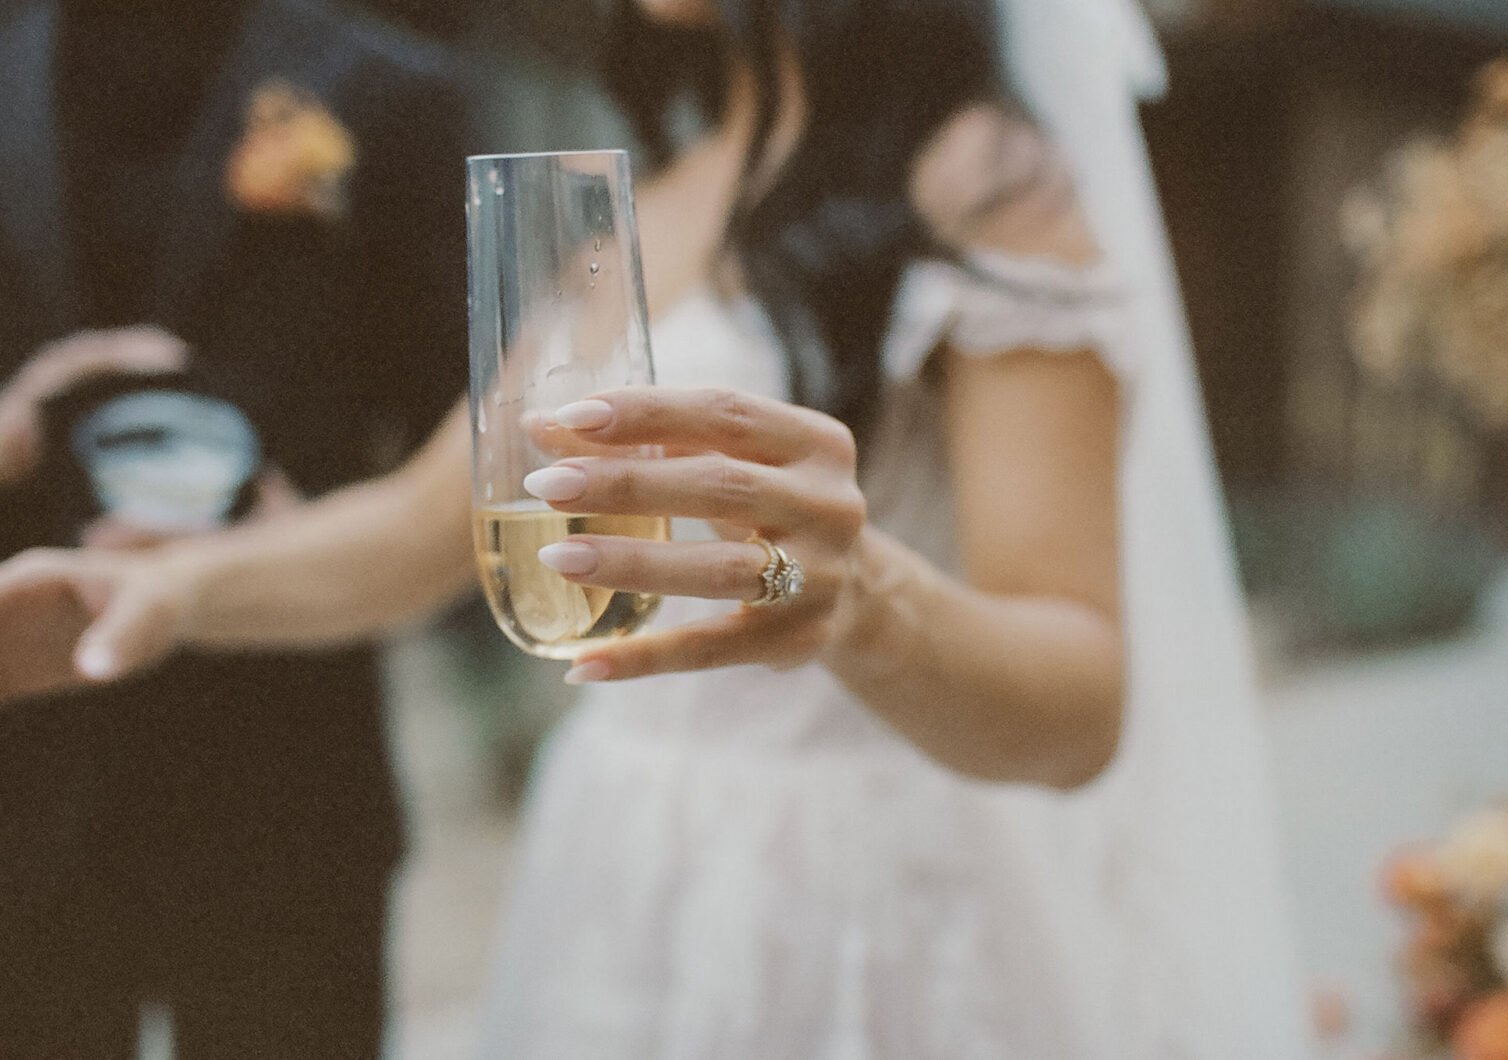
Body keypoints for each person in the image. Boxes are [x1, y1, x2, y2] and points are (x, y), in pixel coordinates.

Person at [0, 0, 1313, 1054]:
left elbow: (1080, 705)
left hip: (880, 905)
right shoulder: (660, 196)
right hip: (625, 879)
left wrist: (865, 606)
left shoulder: (983, 182)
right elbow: (424, 528)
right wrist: (174, 596)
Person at [0, 0, 467, 1054]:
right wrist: (14, 436)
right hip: (22, 774)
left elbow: (471, 432)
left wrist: (304, 526)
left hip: (286, 772)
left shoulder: (390, 95)